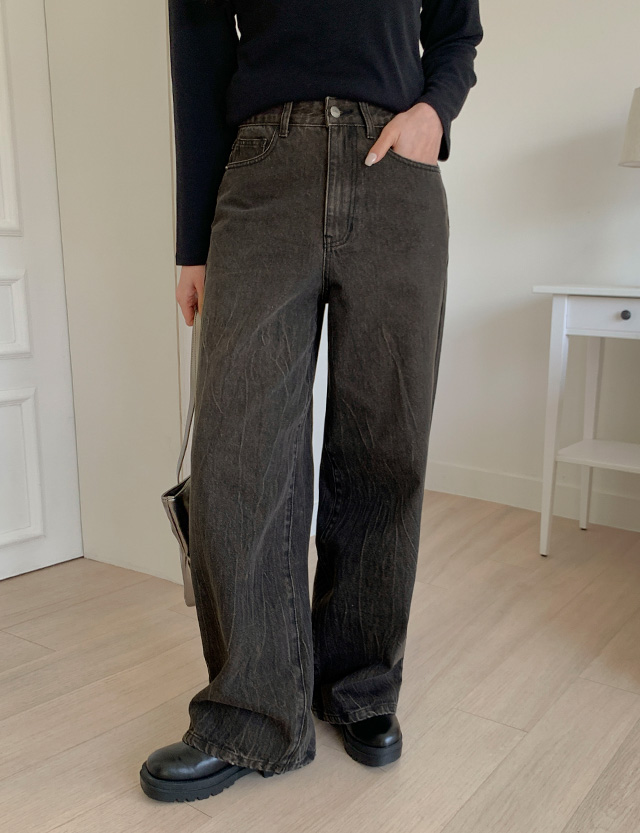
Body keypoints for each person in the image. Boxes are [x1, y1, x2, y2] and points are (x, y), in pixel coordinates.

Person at [140, 0, 483, 803]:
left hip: (395, 170)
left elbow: (457, 29)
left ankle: (359, 684)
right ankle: (251, 711)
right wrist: (193, 244)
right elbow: (197, 49)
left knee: (384, 444)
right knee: (240, 450)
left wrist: (433, 113)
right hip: (263, 168)